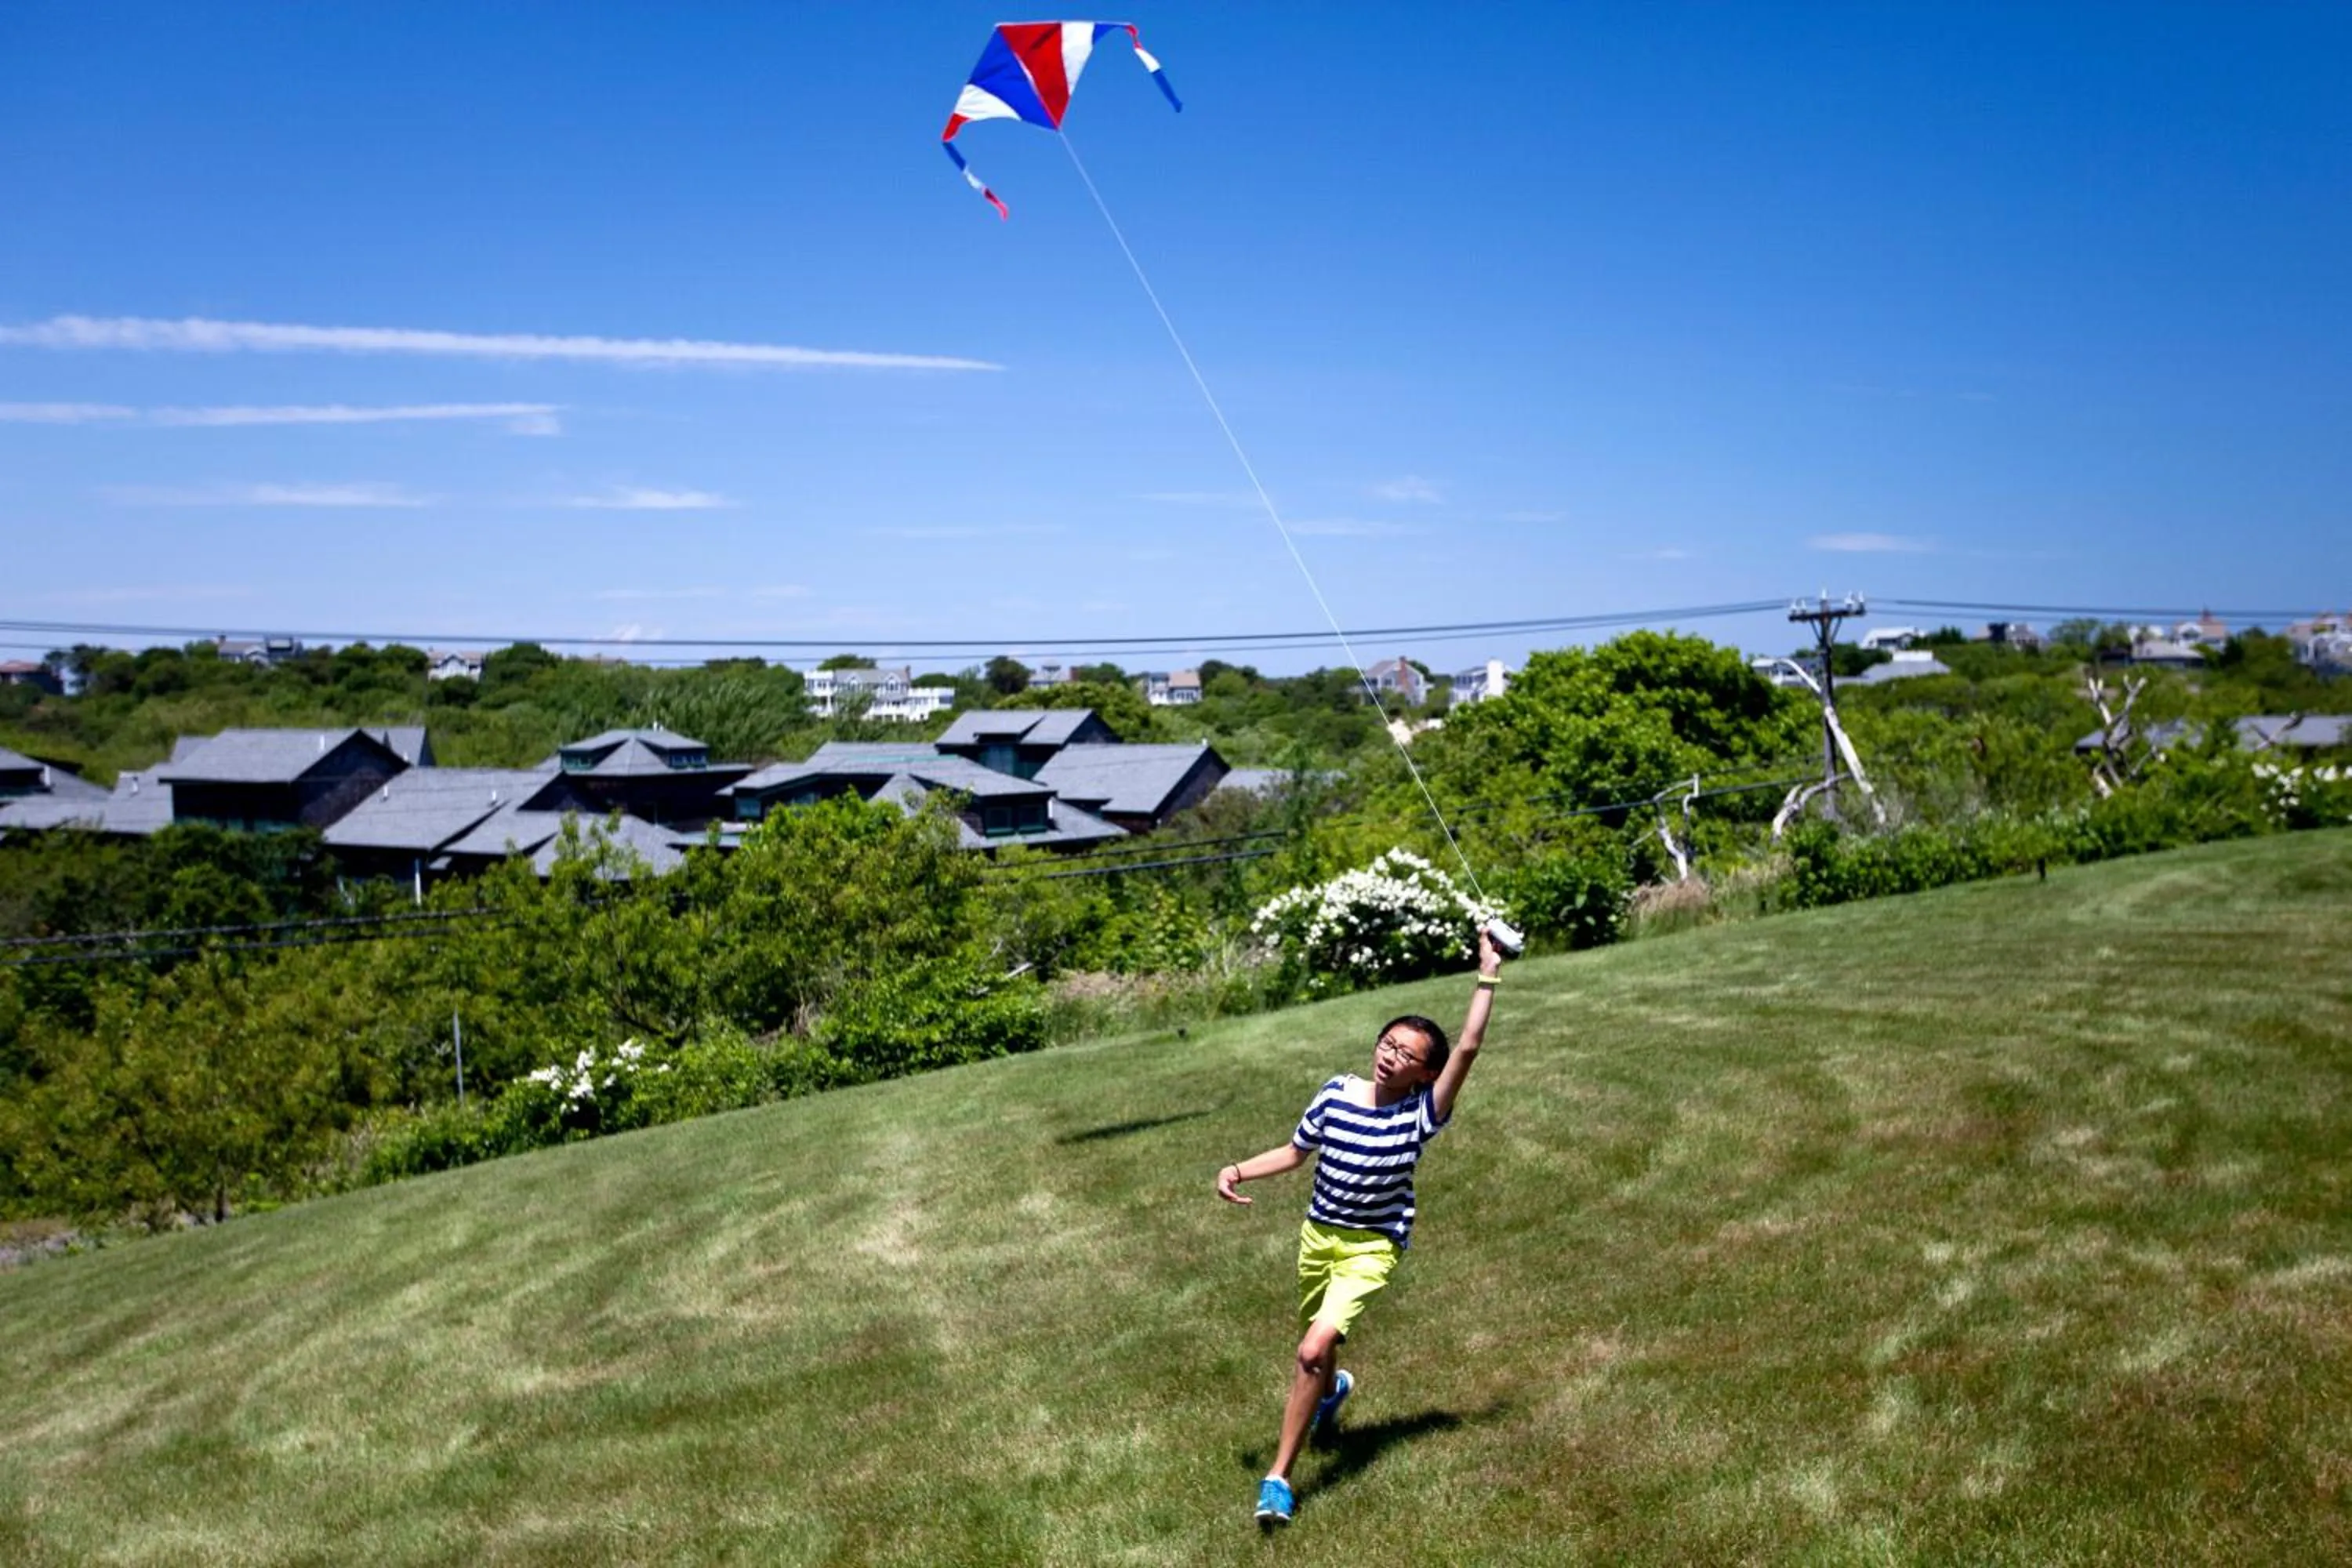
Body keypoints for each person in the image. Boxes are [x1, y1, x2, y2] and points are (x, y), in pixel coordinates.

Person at [1214, 927, 1504, 1529]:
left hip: (1374, 1247)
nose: (1391, 1054)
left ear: (1427, 1074)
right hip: (1319, 1237)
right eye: (1388, 1042)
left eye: (1407, 1054)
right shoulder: (1336, 1094)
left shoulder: (1422, 1113)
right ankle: (1331, 1393)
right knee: (1319, 1355)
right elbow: (1297, 1153)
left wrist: (1488, 971)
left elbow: (1470, 1045)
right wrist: (1238, 1169)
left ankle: (1278, 1482)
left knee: (1312, 1347)